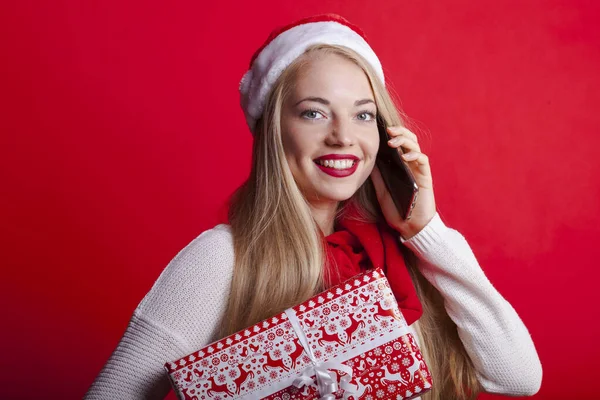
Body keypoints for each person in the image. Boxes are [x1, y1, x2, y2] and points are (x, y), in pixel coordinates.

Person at [84, 14, 542, 400]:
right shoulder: (222, 257)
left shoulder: (402, 256)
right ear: (273, 130)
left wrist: (427, 232)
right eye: (314, 112)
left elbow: (518, 377)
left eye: (363, 114)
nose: (343, 135)